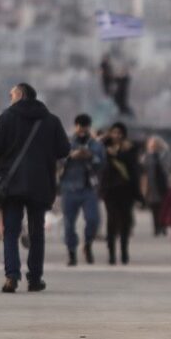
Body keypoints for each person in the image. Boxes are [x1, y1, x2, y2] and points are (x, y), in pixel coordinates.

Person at [0, 83, 70, 293]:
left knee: (11, 232)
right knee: (36, 233)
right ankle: (34, 279)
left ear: (21, 95)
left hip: (12, 184)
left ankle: (11, 277)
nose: (10, 97)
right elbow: (64, 150)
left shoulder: (6, 117)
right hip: (41, 184)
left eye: (11, 94)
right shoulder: (51, 120)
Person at [59, 114, 106, 266]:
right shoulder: (66, 142)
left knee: (93, 220)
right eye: (79, 126)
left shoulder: (96, 145)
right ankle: (71, 252)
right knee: (69, 223)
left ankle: (88, 244)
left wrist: (90, 156)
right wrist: (71, 156)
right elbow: (58, 160)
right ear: (75, 126)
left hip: (88, 188)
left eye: (85, 126)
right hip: (69, 187)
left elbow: (102, 165)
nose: (82, 130)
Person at [100, 122, 142, 265]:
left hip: (126, 191)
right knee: (111, 222)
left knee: (125, 223)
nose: (117, 135)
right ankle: (111, 254)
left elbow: (133, 168)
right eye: (114, 132)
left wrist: (117, 154)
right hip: (110, 191)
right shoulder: (105, 147)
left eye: (119, 133)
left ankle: (124, 252)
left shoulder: (130, 149)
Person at [142, 136, 171, 236]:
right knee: (154, 209)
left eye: (154, 145)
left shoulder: (164, 154)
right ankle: (156, 228)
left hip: (163, 185)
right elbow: (144, 170)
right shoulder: (147, 156)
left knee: (163, 208)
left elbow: (166, 167)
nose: (152, 147)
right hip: (152, 185)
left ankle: (163, 226)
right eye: (151, 145)